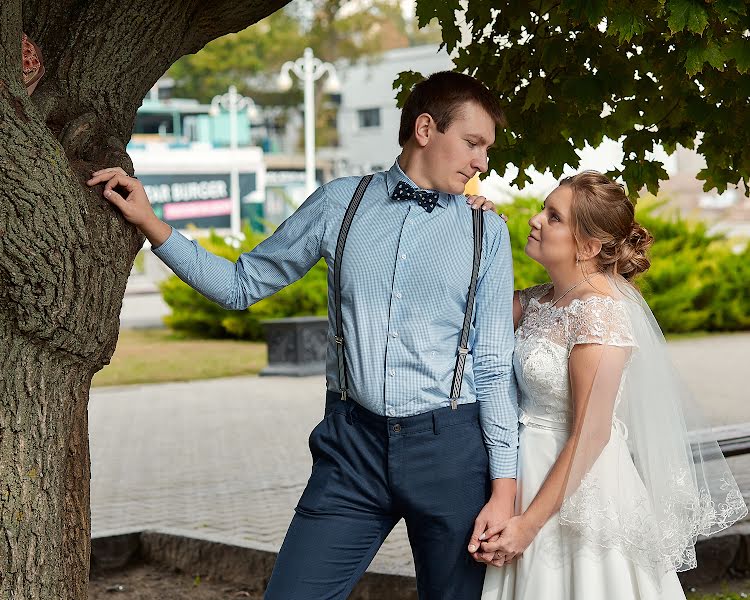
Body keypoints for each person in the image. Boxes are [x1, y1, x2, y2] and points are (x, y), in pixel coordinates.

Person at [89, 71, 519, 599]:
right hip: (352, 450)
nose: (482, 162)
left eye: (486, 150)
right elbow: (242, 284)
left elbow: (495, 366)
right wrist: (153, 225)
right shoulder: (340, 203)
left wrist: (504, 489)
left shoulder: (486, 231)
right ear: (425, 129)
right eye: (473, 143)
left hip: (451, 452)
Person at [478, 171, 748, 600]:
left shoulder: (599, 313)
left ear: (587, 246)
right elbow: (470, 316)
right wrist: (474, 230)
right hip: (524, 470)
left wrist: (528, 526)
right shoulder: (539, 299)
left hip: (577, 490)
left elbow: (592, 433)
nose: (534, 220)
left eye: (554, 217)